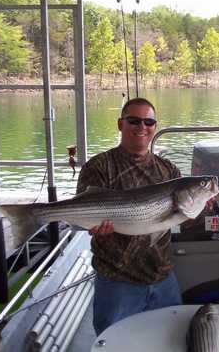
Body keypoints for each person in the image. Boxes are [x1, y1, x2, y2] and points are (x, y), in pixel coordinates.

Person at [76, 97, 183, 336]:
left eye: (149, 121)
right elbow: (84, 209)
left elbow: (182, 218)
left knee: (169, 341)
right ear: (120, 124)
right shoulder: (99, 166)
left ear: (155, 126)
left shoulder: (170, 171)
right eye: (134, 120)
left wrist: (203, 207)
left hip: (162, 276)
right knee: (114, 343)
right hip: (117, 281)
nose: (142, 127)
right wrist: (95, 226)